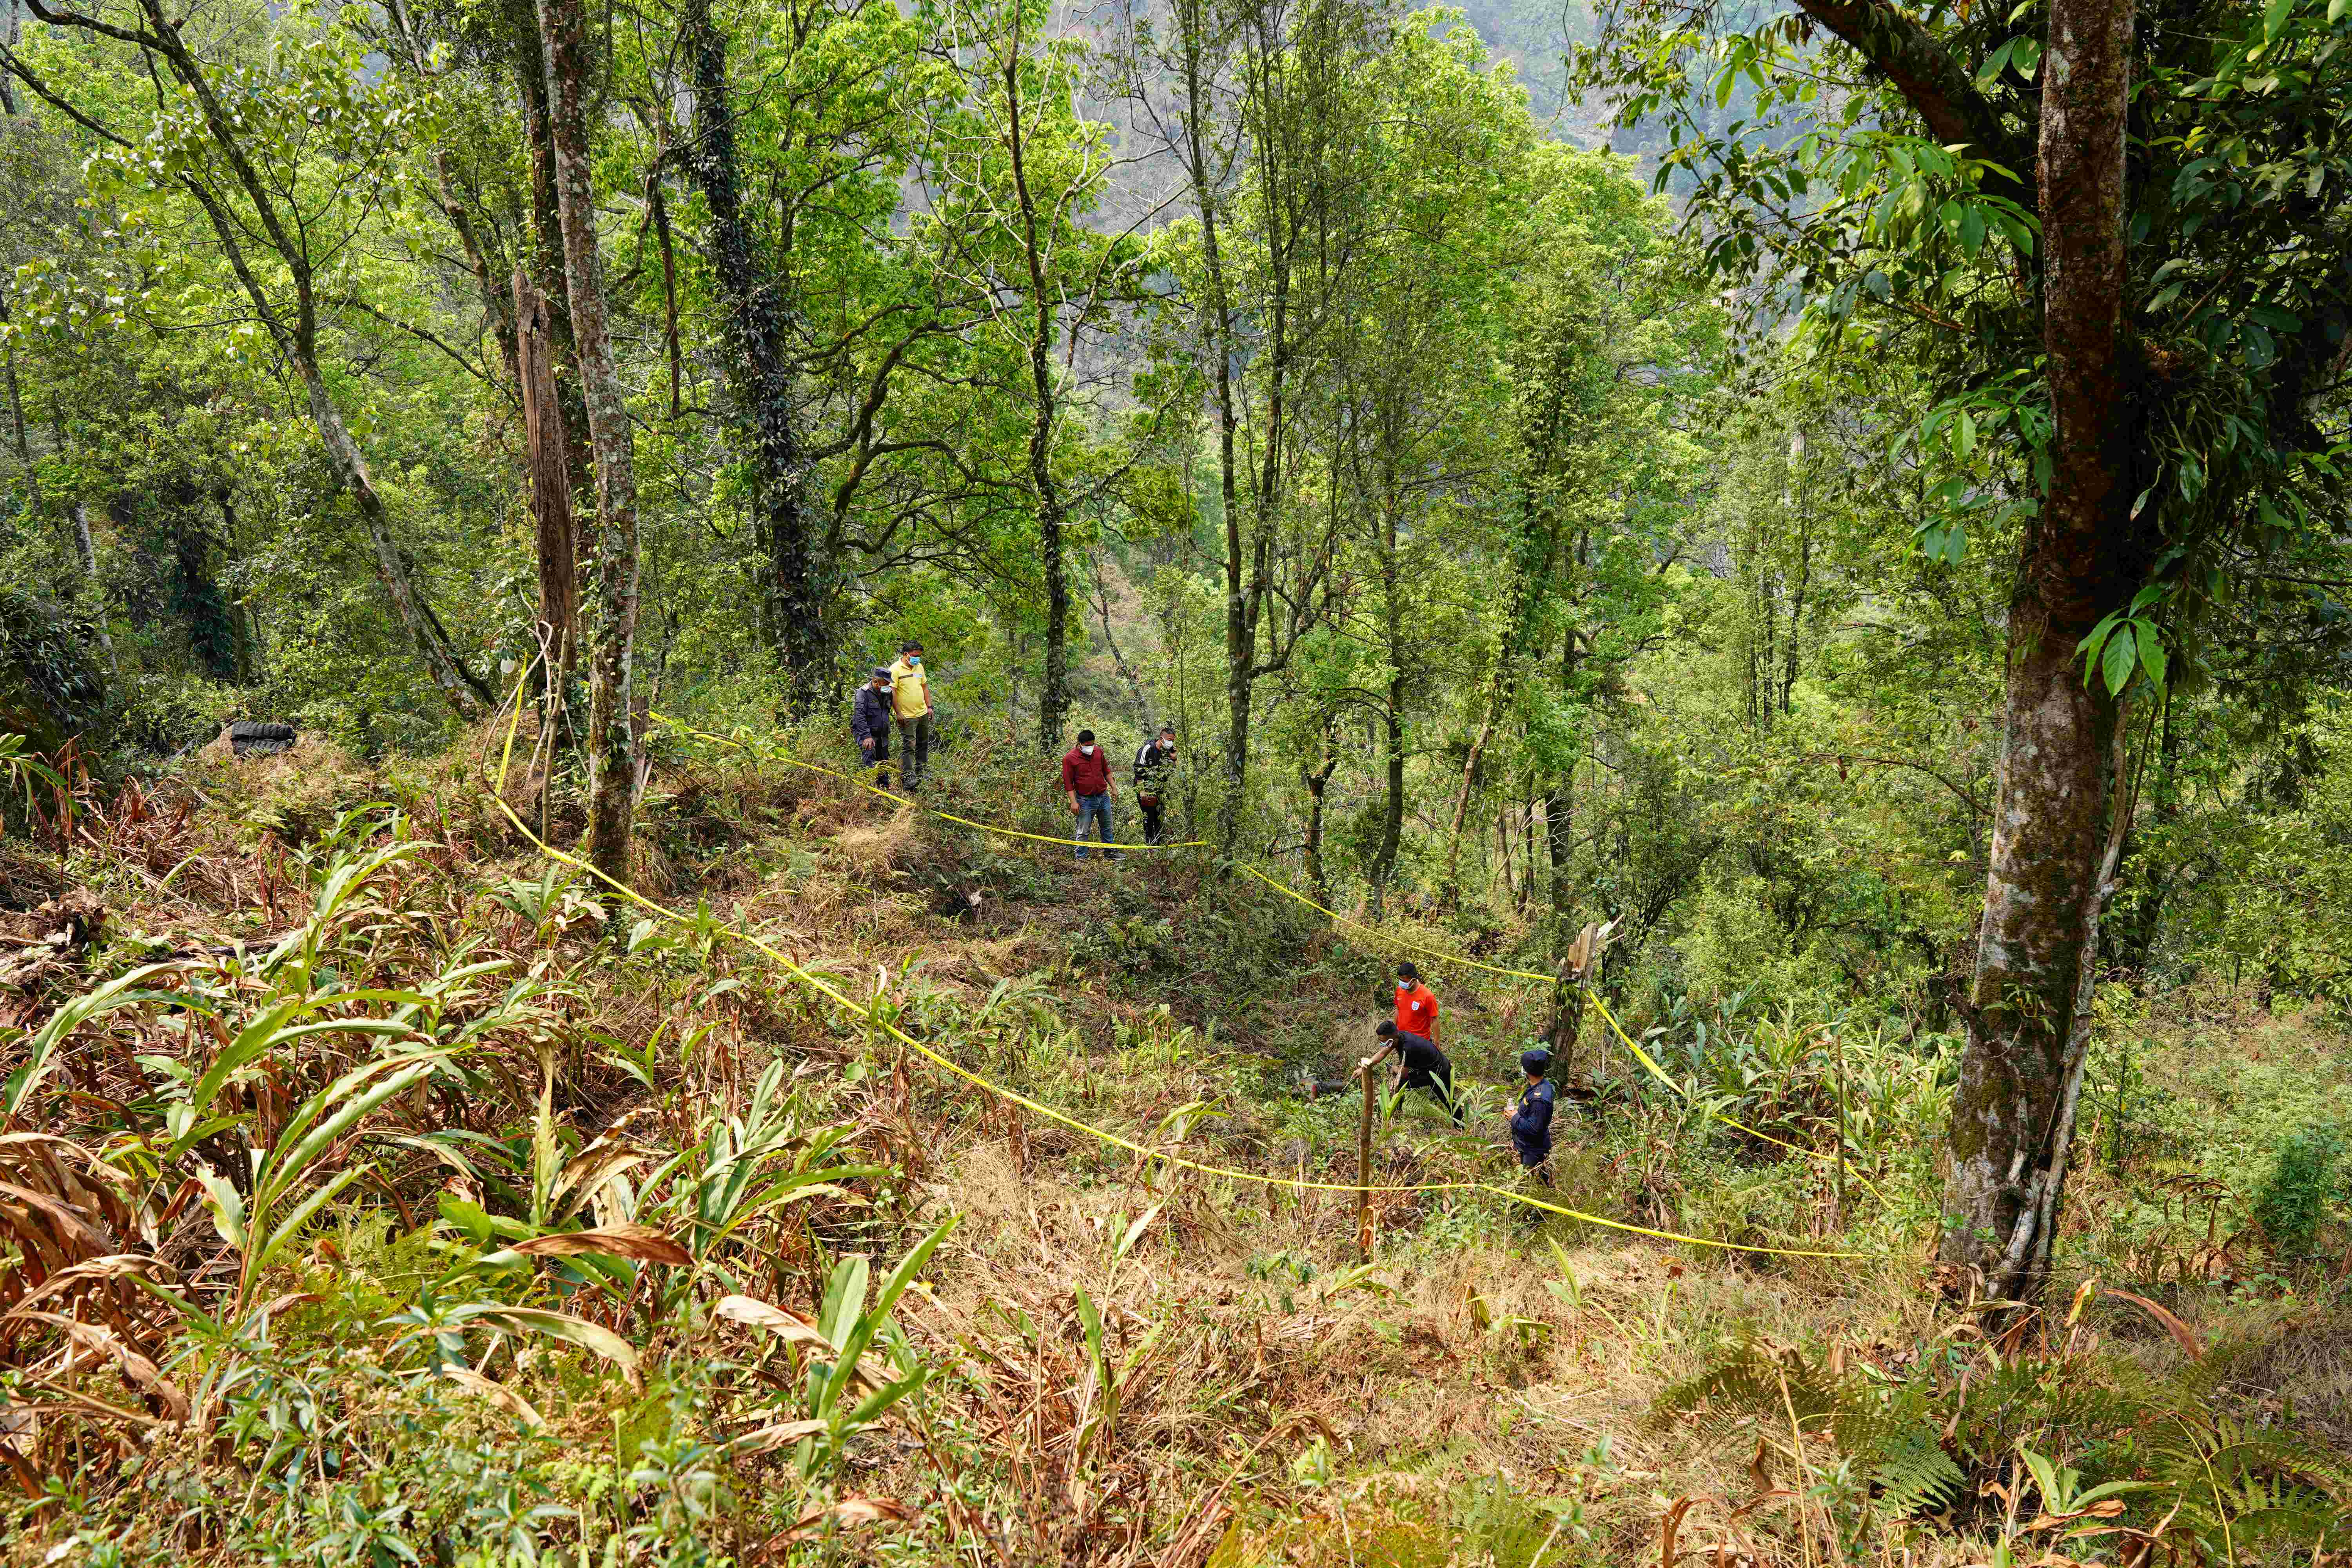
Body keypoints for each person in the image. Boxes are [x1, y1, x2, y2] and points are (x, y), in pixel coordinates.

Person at [1370, 1020, 1462, 1123]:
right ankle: (1397, 1112)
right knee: (1402, 1084)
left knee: (1447, 1099)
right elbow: (1382, 1054)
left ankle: (1460, 1125)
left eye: (1386, 1042)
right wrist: (1366, 1066)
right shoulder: (1401, 1036)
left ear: (1393, 1037)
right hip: (1428, 1068)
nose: (1384, 1045)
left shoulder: (1407, 1048)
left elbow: (1403, 1074)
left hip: (1439, 1071)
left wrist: (1394, 1069)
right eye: (1381, 1041)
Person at [1061, 728, 1119, 860]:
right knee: (1083, 831)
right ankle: (1081, 858)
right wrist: (1073, 802)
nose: (1090, 748)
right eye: (1087, 746)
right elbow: (1069, 783)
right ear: (1080, 744)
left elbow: (1107, 771)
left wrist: (1114, 788)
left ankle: (1110, 853)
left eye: (1092, 745)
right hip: (1085, 800)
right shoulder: (1069, 759)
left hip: (1103, 797)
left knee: (1107, 827)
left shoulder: (1098, 752)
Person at [1508, 1045, 1559, 1185]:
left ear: (1528, 1071)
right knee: (1540, 1180)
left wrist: (1514, 1117)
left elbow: (1534, 1128)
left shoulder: (1540, 1098)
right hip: (1529, 1147)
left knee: (1531, 1185)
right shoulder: (1541, 1085)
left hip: (1533, 1149)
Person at [887, 639, 933, 788]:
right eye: (915, 656)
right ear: (906, 654)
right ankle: (907, 776)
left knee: (923, 743)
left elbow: (925, 687)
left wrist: (930, 707)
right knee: (909, 746)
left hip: (922, 713)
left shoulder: (919, 667)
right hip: (906, 716)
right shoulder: (895, 669)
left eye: (919, 656)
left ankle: (922, 771)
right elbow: (891, 692)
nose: (917, 659)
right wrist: (898, 713)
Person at [1132, 724, 1177, 846]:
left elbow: (1170, 772)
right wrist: (1142, 791)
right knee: (1149, 817)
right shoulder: (1148, 749)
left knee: (1160, 817)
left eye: (1173, 741)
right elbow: (1138, 769)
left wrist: (1174, 759)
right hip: (1146, 790)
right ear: (1162, 738)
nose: (1171, 743)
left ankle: (1160, 845)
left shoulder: (1166, 753)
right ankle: (1150, 846)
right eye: (1169, 740)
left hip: (1160, 791)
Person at [851, 667, 894, 787]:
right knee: (870, 755)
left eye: (889, 684)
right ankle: (868, 789)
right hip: (866, 732)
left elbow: (886, 712)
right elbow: (859, 716)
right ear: (876, 682)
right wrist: (866, 737)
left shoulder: (888, 693)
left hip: (882, 732)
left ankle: (884, 788)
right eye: (886, 684)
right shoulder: (863, 693)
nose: (888, 686)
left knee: (884, 760)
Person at [1393, 962, 1440, 1045]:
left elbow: (1435, 1020)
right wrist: (1394, 1031)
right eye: (1400, 980)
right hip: (1402, 1038)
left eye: (1404, 981)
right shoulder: (1399, 990)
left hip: (1421, 1042)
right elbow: (1398, 1010)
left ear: (1414, 980)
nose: (1401, 983)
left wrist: (1437, 1043)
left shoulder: (1428, 996)